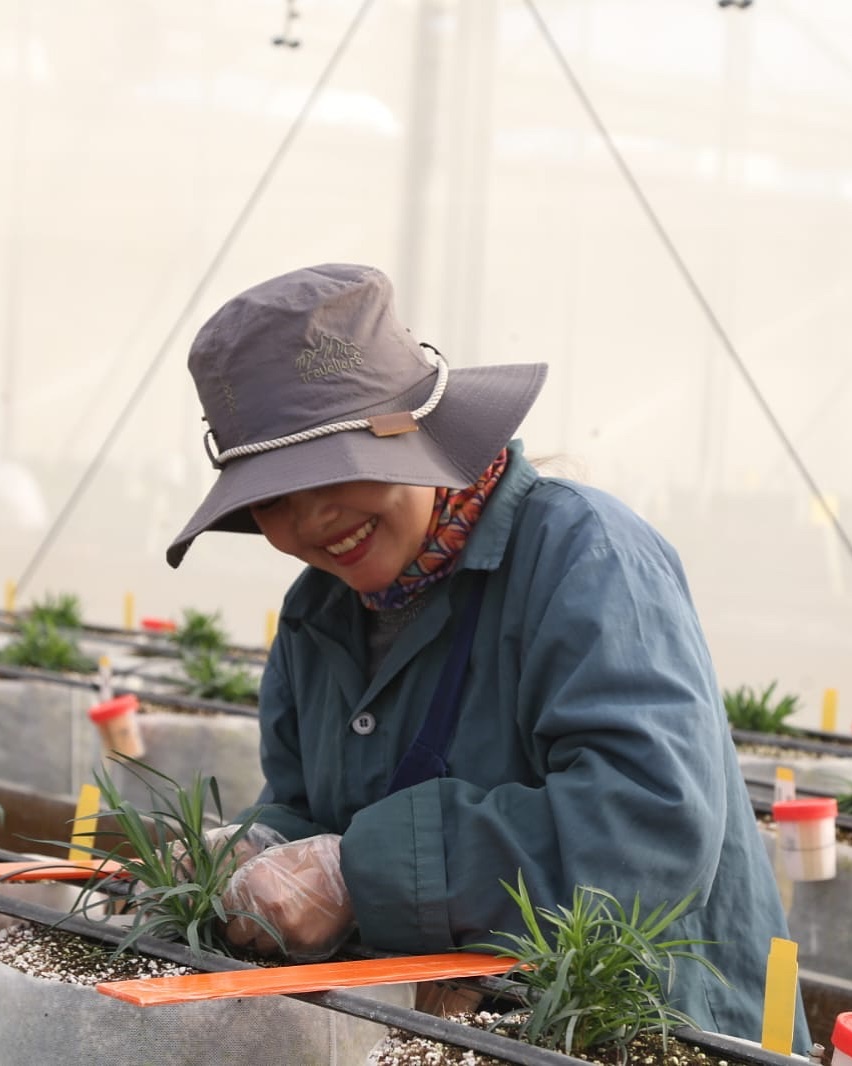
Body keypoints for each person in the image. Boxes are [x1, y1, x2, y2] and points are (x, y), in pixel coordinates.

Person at [165, 263, 809, 1045]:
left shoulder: (583, 554)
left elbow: (647, 826)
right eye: (271, 498)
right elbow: (309, 803)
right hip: (442, 1033)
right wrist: (255, 852)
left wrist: (356, 874)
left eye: (334, 468)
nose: (315, 519)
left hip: (645, 1032)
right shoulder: (318, 612)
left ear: (413, 432)